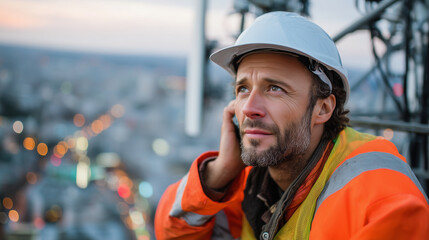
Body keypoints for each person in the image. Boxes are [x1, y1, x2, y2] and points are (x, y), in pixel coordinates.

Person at [154, 12, 429, 240]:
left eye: (274, 88)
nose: (249, 107)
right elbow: (173, 232)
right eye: (242, 89)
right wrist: (220, 172)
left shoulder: (381, 195)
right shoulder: (246, 181)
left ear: (323, 108)